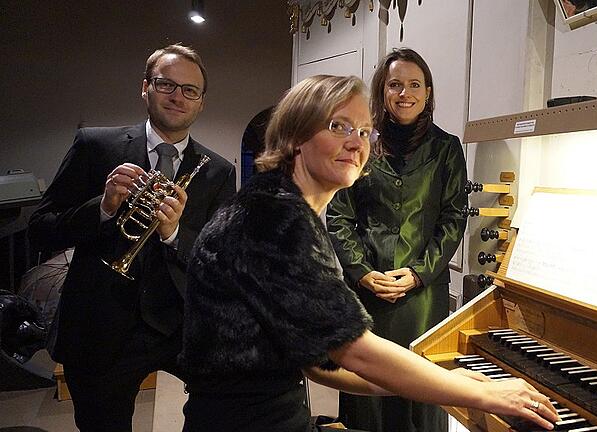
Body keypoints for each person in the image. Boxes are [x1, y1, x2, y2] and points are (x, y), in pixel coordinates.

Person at [179, 74, 558, 432]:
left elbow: (317, 364)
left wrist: (433, 380)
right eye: (338, 126)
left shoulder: (278, 205)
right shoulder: (273, 217)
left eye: (363, 131)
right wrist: (487, 392)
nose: (356, 142)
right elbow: (353, 350)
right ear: (295, 135)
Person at [28, 43, 236, 431]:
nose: (178, 97)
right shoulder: (95, 145)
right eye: (166, 85)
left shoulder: (217, 171)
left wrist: (175, 234)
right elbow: (41, 227)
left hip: (178, 326)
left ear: (201, 102)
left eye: (190, 90)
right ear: (145, 88)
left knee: (231, 405)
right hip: (101, 327)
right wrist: (103, 208)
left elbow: (221, 260)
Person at [326, 48, 467, 432]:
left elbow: (453, 218)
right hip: (365, 292)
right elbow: (339, 214)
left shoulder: (447, 148)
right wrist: (361, 271)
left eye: (414, 85)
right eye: (395, 85)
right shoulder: (359, 144)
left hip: (423, 297)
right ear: (382, 92)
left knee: (422, 395)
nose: (405, 93)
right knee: (365, 397)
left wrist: (419, 274)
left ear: (428, 92)